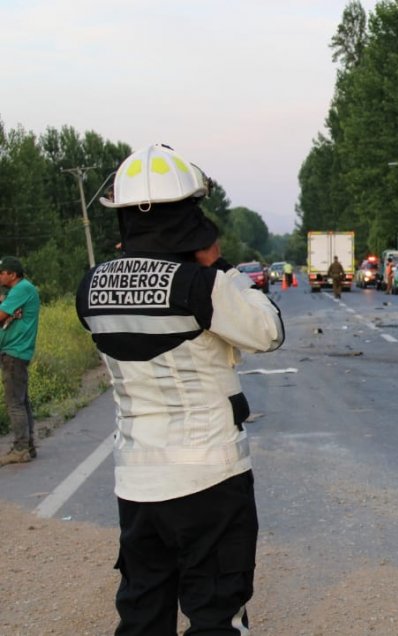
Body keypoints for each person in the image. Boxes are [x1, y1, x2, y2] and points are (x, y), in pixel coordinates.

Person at [76, 144, 285, 635]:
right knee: (215, 614)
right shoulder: (198, 285)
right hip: (208, 476)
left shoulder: (89, 287)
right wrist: (221, 268)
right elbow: (268, 331)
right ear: (189, 216)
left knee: (142, 610)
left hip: (135, 480)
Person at [0, 256, 40, 466]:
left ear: (12, 275)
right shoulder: (19, 291)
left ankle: (20, 448)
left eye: (2, 273)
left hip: (14, 352)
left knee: (15, 403)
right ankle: (28, 445)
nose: (0, 276)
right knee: (22, 401)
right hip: (16, 351)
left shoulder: (21, 290)